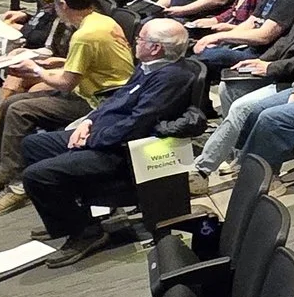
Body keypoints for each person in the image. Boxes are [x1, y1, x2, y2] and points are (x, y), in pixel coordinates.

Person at [15, 17, 204, 266]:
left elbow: (139, 123)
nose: (135, 43)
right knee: (33, 145)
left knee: (37, 176)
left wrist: (91, 140)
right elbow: (117, 100)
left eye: (140, 39)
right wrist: (88, 122)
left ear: (155, 47)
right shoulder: (149, 66)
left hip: (122, 152)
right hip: (102, 134)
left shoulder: (170, 78)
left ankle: (86, 233)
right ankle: (74, 217)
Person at [0, 0, 134, 216]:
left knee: (19, 110)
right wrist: (55, 63)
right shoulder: (103, 21)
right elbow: (91, 66)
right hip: (99, 91)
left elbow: (66, 83)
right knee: (14, 101)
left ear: (63, 5)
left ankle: (16, 185)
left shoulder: (85, 35)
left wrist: (36, 70)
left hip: (100, 102)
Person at [190, 0, 294, 185]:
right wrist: (264, 62)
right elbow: (286, 44)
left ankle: (202, 171)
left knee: (241, 107)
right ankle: (238, 155)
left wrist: (270, 68)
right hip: (281, 70)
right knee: (228, 87)